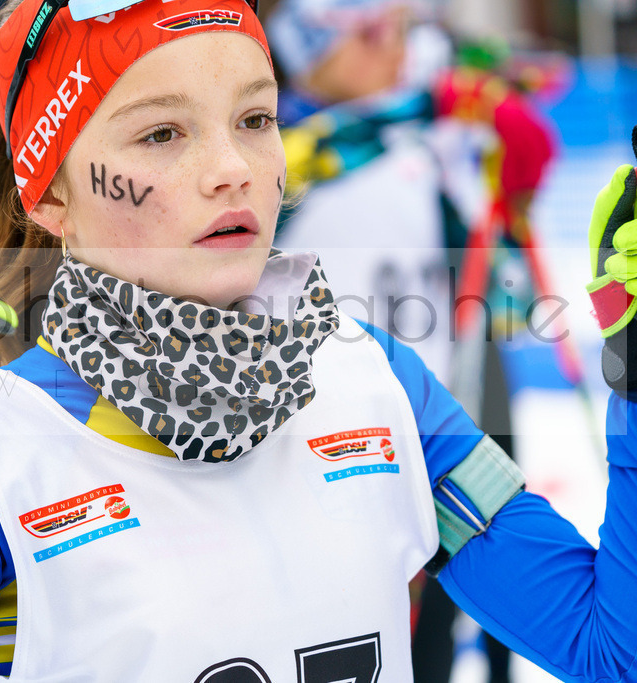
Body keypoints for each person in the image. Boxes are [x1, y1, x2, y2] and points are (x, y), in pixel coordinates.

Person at [0, 1, 637, 681]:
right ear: (49, 195)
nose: (232, 167)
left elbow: (609, 649)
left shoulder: (378, 380)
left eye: (256, 119)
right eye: (163, 133)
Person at [263, 2, 559, 680]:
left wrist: (500, 131)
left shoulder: (419, 137)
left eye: (399, 30)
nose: (393, 48)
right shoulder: (288, 146)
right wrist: (438, 102)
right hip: (330, 432)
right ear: (307, 50)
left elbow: (520, 173)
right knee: (375, 618)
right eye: (370, 34)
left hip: (435, 403)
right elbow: (327, 149)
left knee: (465, 594)